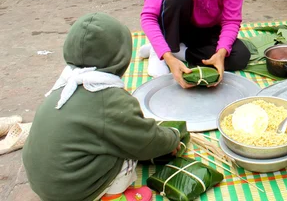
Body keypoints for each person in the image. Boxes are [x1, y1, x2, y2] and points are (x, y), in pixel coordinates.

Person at [23, 13, 181, 201]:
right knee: (127, 150)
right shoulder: (110, 99)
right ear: (120, 57)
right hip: (73, 192)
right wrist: (172, 138)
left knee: (104, 136)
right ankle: (111, 194)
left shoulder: (64, 84)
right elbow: (145, 139)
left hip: (43, 184)